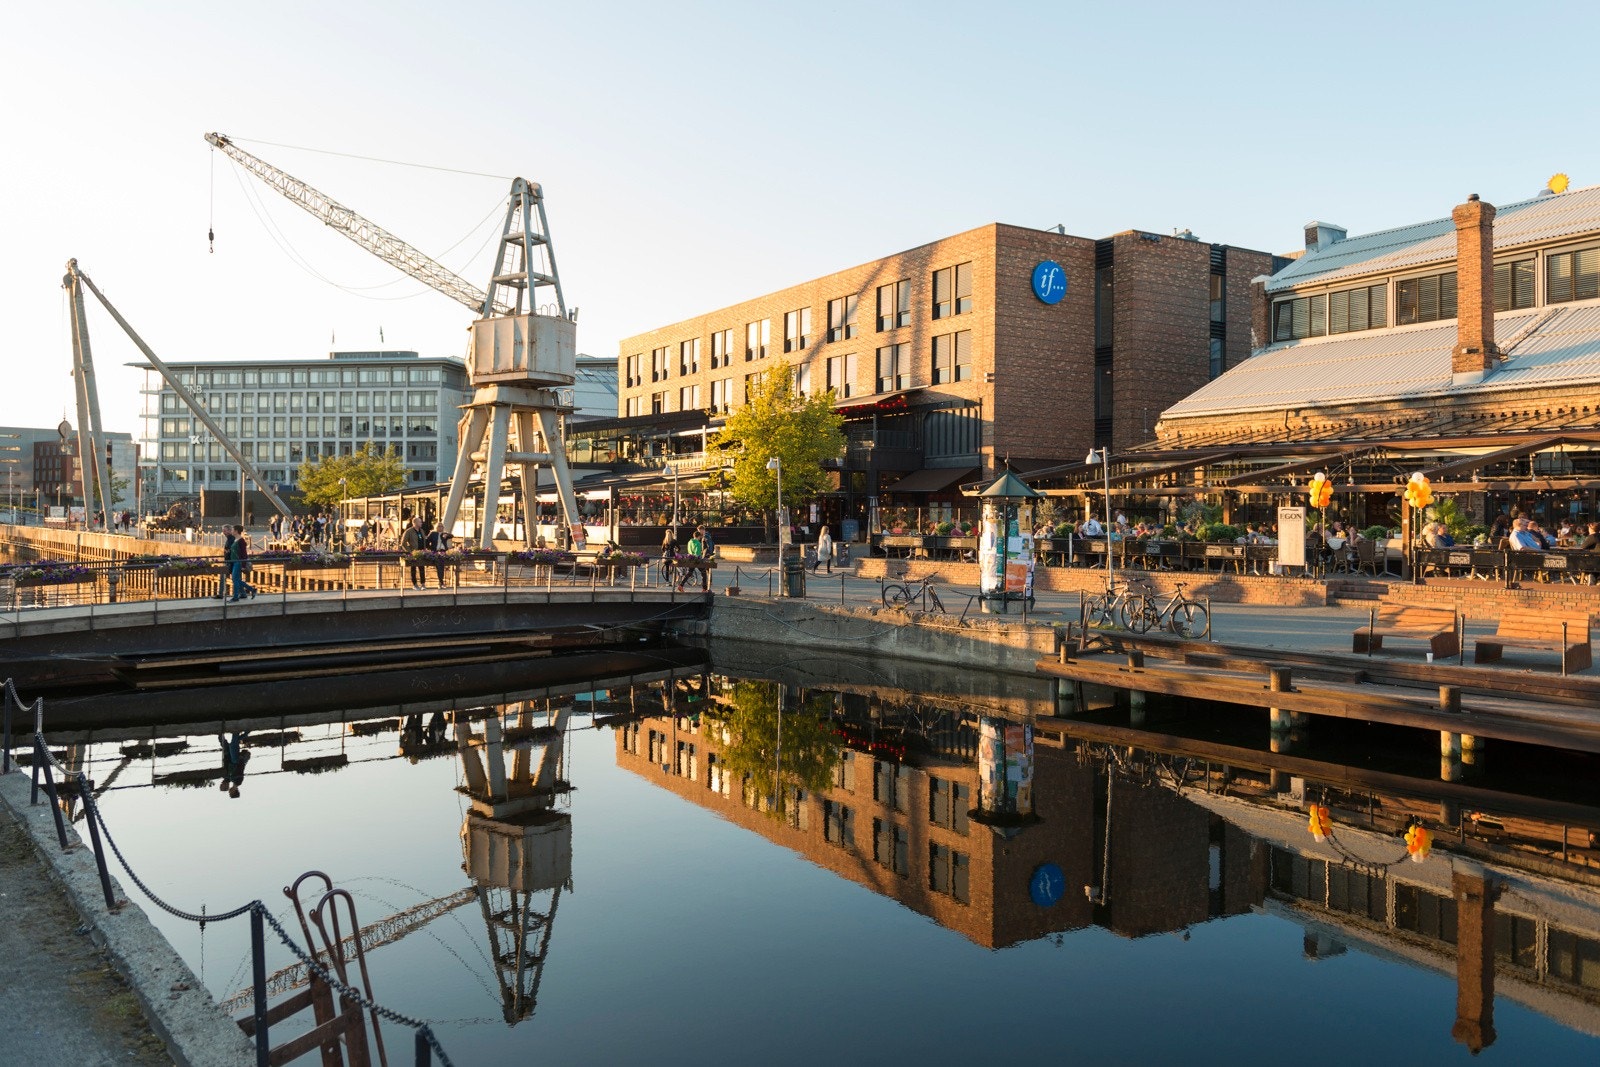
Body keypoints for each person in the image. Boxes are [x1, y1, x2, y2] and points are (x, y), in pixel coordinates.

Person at [227, 525, 257, 601]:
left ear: (236, 531)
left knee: (235, 579)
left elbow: (244, 554)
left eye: (232, 530)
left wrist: (243, 565)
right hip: (234, 562)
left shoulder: (241, 541)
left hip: (238, 562)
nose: (231, 531)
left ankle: (235, 597)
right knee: (236, 579)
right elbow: (235, 550)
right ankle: (252, 589)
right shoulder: (235, 539)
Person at [218, 731, 250, 798]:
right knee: (233, 745)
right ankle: (237, 730)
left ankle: (245, 732)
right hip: (235, 761)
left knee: (234, 743)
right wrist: (241, 760)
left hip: (232, 761)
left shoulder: (232, 780)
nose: (229, 792)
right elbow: (241, 769)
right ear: (234, 792)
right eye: (230, 793)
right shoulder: (238, 782)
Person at [424, 523, 453, 587]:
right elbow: (427, 541)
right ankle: (441, 582)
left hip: (443, 551)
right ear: (436, 527)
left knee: (441, 565)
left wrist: (446, 535)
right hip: (435, 551)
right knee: (439, 564)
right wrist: (430, 548)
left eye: (442, 526)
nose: (441, 528)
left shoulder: (444, 534)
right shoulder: (433, 533)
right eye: (439, 526)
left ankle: (441, 582)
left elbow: (451, 536)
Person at [402, 516, 427, 587]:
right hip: (414, 552)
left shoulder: (421, 531)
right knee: (413, 568)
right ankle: (415, 584)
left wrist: (425, 549)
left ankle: (423, 583)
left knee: (422, 568)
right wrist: (409, 551)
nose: (421, 523)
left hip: (421, 552)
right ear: (415, 523)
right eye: (420, 522)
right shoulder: (409, 531)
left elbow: (424, 540)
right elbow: (403, 543)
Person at [216, 525, 237, 600]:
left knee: (230, 578)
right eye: (223, 531)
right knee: (233, 578)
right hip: (228, 561)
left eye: (225, 531)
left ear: (229, 531)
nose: (223, 532)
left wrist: (227, 551)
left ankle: (221, 594)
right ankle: (221, 594)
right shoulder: (229, 538)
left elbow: (231, 549)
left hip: (230, 561)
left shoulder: (232, 539)